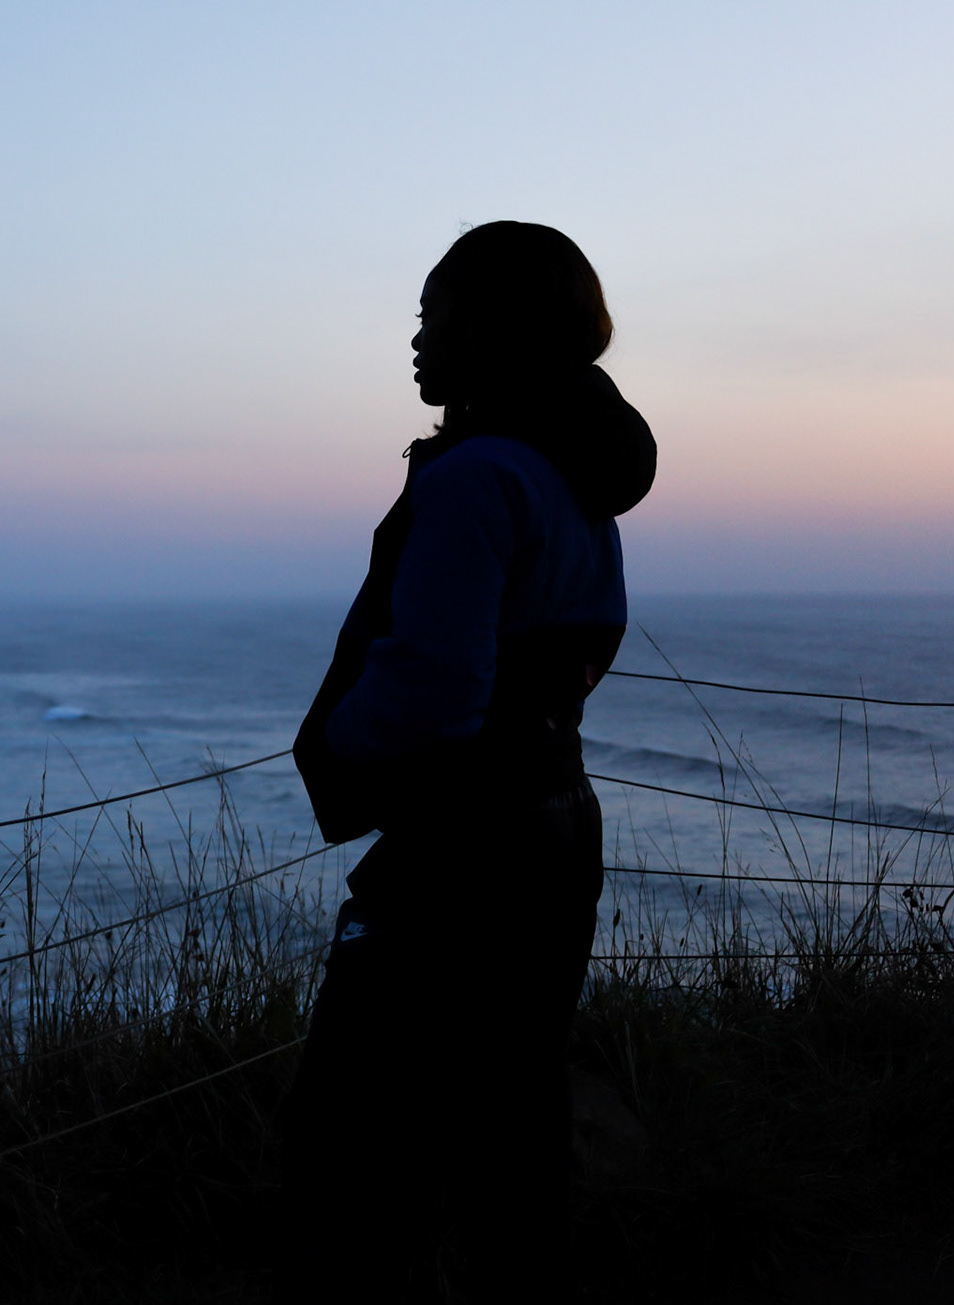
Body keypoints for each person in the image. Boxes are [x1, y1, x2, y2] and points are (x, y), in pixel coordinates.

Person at [278, 222, 656, 1302]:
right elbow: (581, 643)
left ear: (491, 330)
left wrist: (334, 745)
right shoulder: (572, 474)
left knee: (351, 1140)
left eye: (432, 315)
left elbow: (436, 689)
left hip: (460, 849)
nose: (415, 339)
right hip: (557, 821)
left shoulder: (476, 476)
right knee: (514, 1120)